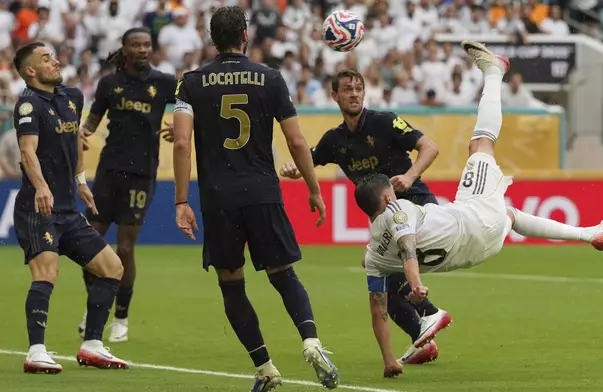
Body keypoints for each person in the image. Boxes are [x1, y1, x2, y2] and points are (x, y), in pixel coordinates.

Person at [355, 41, 603, 378]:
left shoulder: (372, 258)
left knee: (510, 215)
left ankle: (589, 233)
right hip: (476, 219)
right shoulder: (401, 211)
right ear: (385, 200)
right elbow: (407, 246)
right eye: (390, 189)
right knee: (481, 144)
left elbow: (377, 309)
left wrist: (388, 360)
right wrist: (415, 286)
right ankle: (494, 71)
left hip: (478, 252)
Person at [171, 6, 339, 391]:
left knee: (232, 286)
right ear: (245, 35)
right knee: (284, 276)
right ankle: (311, 340)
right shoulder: (271, 78)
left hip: (218, 200)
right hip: (263, 192)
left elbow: (181, 142)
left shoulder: (190, 83)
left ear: (213, 40)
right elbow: (296, 141)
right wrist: (313, 189)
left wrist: (182, 202)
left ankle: (265, 367)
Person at [279, 68, 447, 365]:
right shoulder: (335, 140)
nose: (354, 93)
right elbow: (309, 158)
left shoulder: (385, 122)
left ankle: (429, 314)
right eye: (347, 89)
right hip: (384, 219)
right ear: (335, 96)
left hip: (414, 204)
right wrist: (296, 169)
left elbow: (430, 147)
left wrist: (409, 176)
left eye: (358, 88)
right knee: (378, 277)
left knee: (378, 270)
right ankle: (422, 338)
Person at [12, 41, 129, 374]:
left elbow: (76, 139)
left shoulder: (72, 97)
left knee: (112, 268)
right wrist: (42, 187)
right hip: (38, 208)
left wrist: (80, 181)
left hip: (67, 209)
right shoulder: (28, 105)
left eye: (54, 56)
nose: (56, 61)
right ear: (30, 71)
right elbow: (27, 152)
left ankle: (92, 345)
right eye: (46, 59)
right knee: (47, 273)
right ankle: (36, 351)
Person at [77, 27, 176, 343]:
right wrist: (80, 134)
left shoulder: (164, 83)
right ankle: (97, 307)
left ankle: (120, 316)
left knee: (125, 247)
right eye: (137, 45)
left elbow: (196, 106)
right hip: (108, 172)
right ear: (125, 49)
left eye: (147, 44)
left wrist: (182, 126)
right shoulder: (109, 84)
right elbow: (91, 123)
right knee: (89, 244)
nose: (143, 49)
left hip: (141, 174)